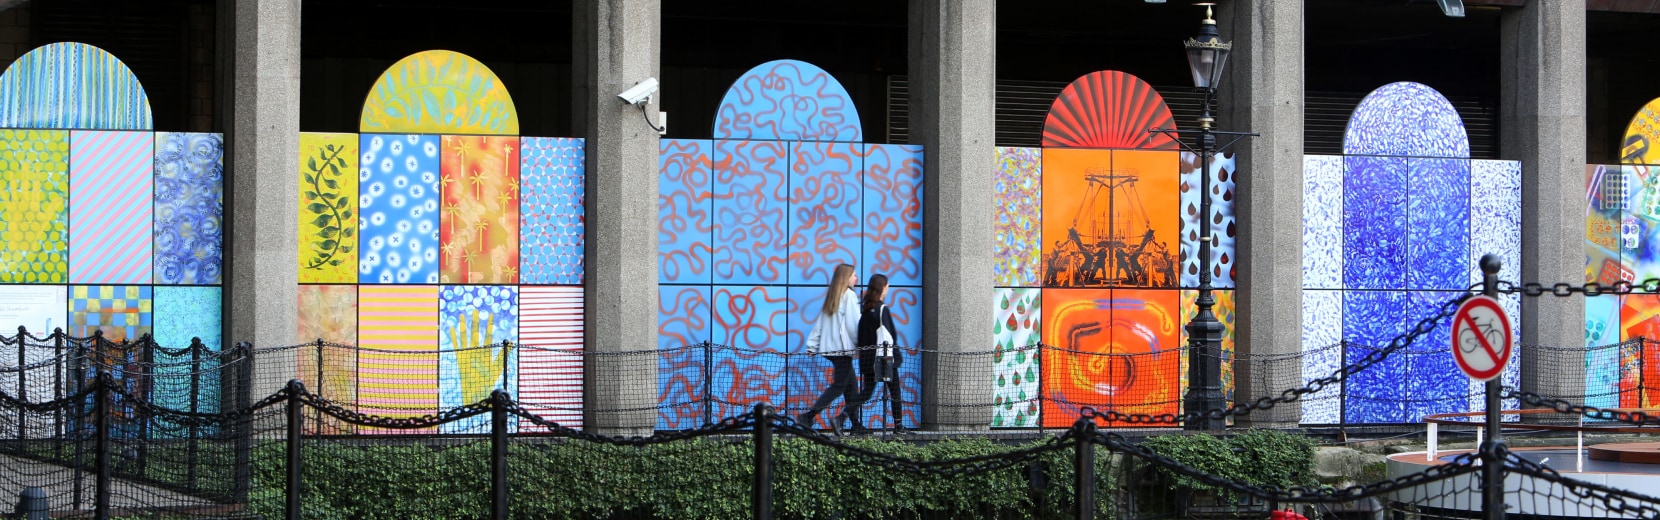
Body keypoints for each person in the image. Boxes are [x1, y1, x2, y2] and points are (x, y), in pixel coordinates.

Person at [796, 263, 861, 436]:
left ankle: (856, 424)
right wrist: (862, 346)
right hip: (842, 350)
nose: (857, 278)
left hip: (831, 351)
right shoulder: (849, 296)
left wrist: (812, 345)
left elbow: (819, 325)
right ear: (845, 277)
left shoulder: (833, 296)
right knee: (839, 386)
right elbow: (854, 325)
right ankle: (808, 417)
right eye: (854, 275)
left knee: (851, 387)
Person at [849, 273, 906, 435]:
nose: (888, 289)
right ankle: (899, 426)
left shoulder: (866, 310)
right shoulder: (882, 309)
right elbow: (890, 336)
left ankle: (843, 416)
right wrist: (895, 357)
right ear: (882, 288)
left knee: (867, 392)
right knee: (894, 392)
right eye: (887, 286)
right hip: (884, 358)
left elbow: (862, 338)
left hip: (868, 360)